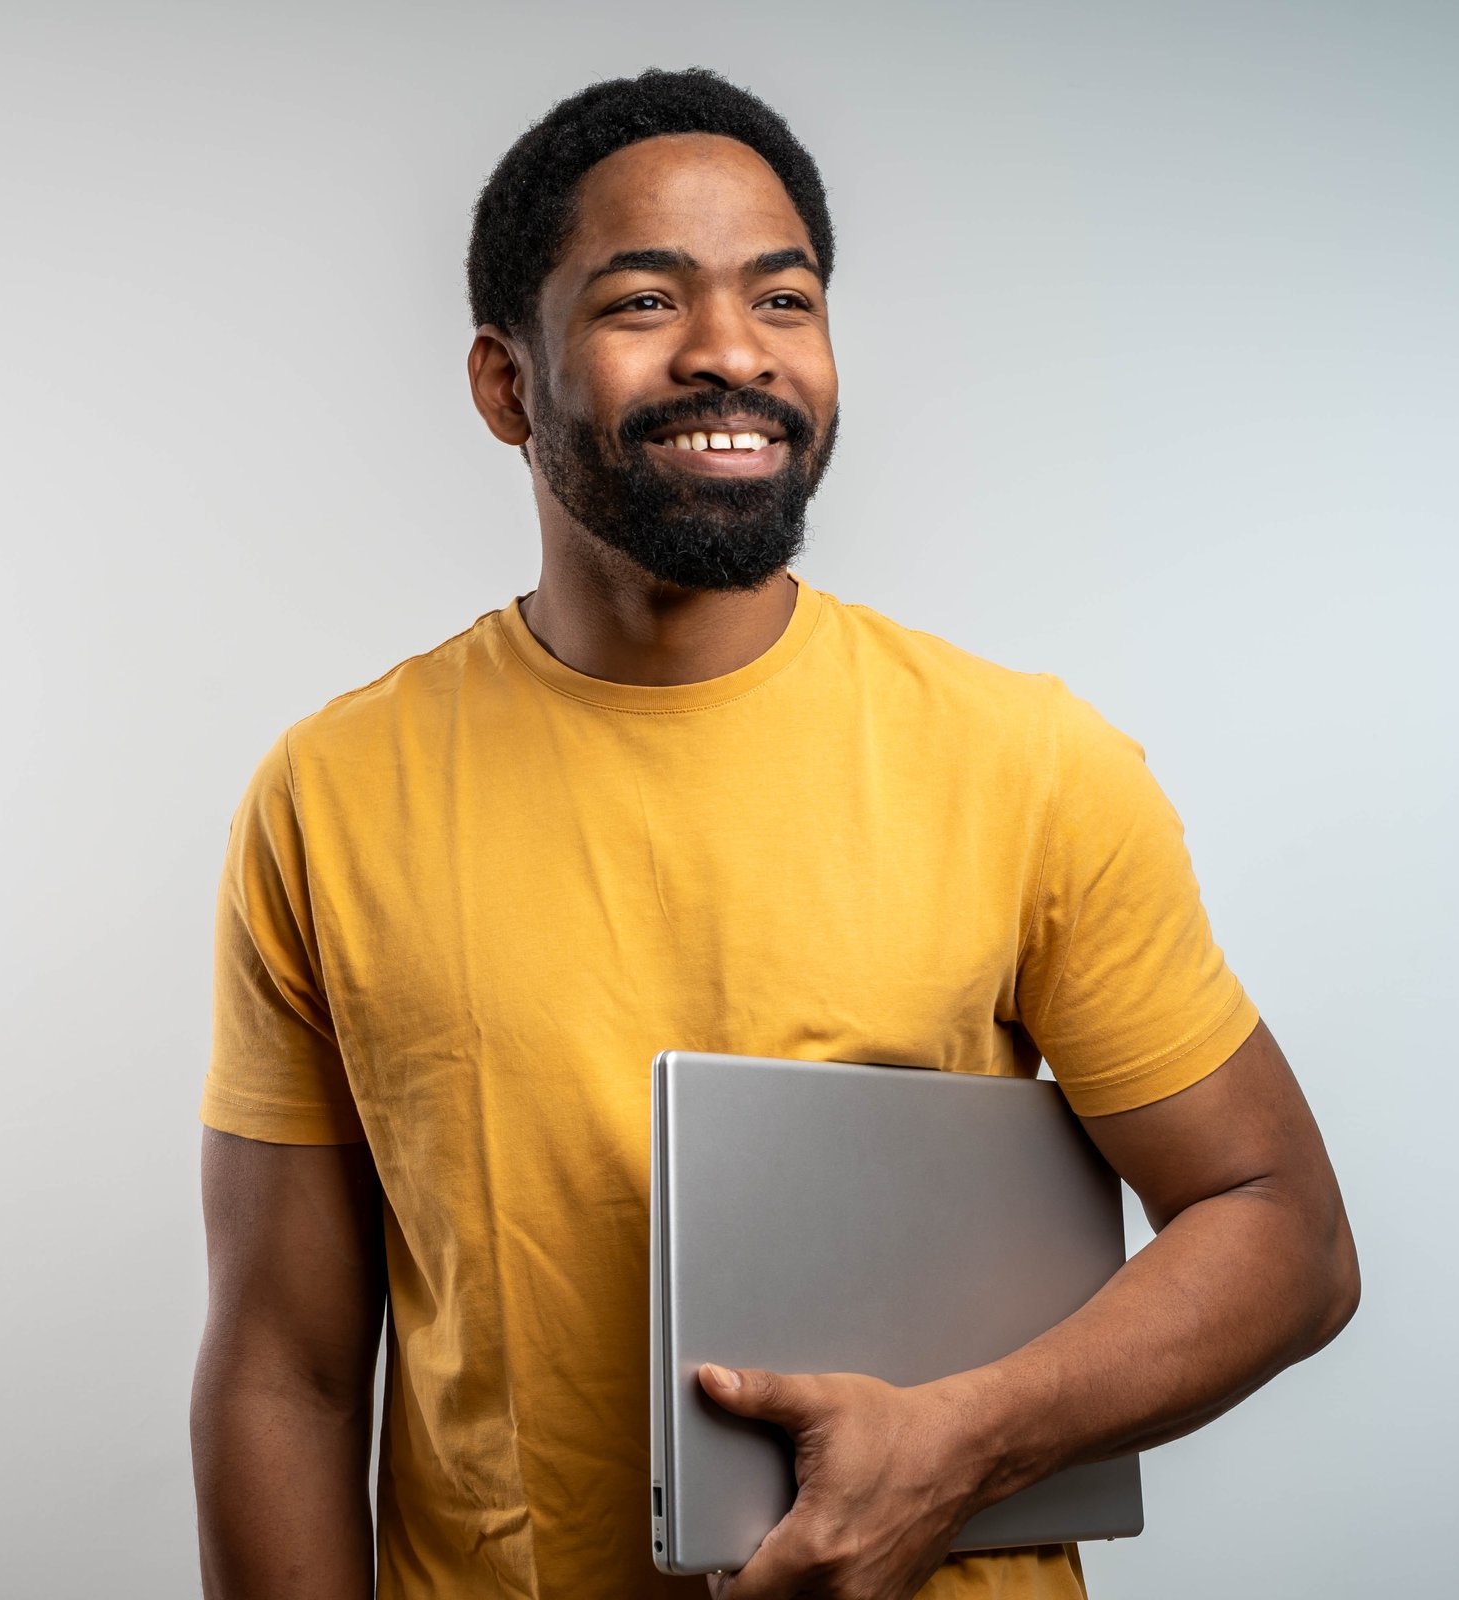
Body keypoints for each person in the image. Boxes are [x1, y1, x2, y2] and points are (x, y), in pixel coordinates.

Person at [188, 67, 1360, 1600]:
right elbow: (285, 1370)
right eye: (642, 301)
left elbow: (1281, 1229)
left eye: (785, 298)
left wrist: (971, 1440)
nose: (730, 352)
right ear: (503, 383)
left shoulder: (1029, 763)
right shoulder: (330, 796)